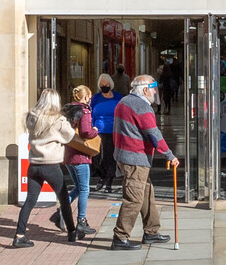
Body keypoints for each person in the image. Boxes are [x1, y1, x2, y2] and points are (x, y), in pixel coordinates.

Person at [110, 73, 175, 250]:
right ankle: (120, 237)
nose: (155, 94)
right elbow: (153, 134)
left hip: (125, 155)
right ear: (145, 90)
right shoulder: (142, 107)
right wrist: (169, 155)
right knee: (134, 198)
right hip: (135, 158)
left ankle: (151, 232)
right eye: (153, 90)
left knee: (146, 193)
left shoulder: (124, 102)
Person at [14, 89, 81, 247]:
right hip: (51, 165)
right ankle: (72, 231)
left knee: (30, 201)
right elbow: (70, 136)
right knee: (63, 199)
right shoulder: (58, 120)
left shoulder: (32, 117)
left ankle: (19, 235)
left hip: (34, 164)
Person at [62, 85, 99, 237]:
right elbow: (85, 132)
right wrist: (95, 130)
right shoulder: (84, 111)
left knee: (77, 187)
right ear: (85, 97)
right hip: (81, 154)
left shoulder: (67, 110)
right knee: (84, 189)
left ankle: (60, 212)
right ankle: (81, 220)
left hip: (68, 154)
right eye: (89, 97)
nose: (89, 100)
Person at [89, 74, 122, 193]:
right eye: (102, 85)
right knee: (97, 157)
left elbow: (122, 114)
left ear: (111, 85)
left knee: (110, 157)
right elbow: (91, 114)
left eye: (106, 84)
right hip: (98, 131)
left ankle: (109, 180)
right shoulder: (96, 98)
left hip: (113, 131)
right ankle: (102, 176)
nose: (104, 86)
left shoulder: (118, 97)